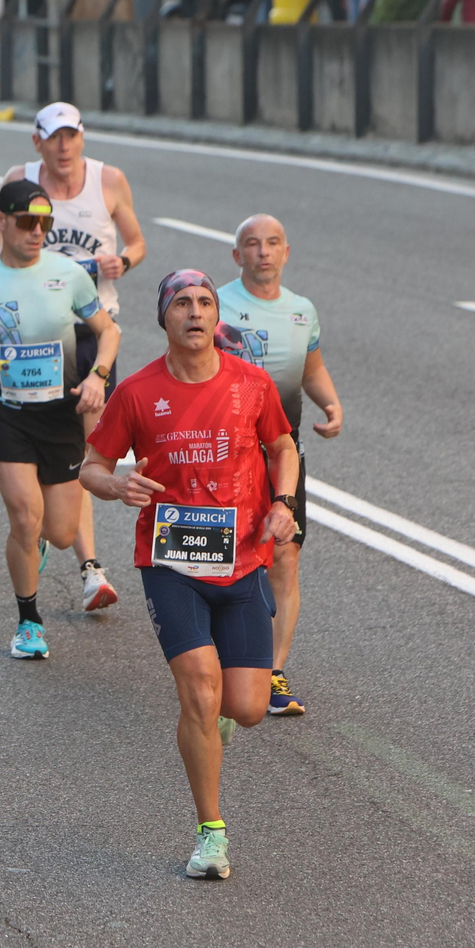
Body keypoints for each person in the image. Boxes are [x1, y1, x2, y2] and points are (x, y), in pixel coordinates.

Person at [80, 269, 299, 880]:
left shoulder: (251, 385)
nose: (196, 312)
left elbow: (283, 447)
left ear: (216, 316)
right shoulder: (138, 392)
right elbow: (91, 467)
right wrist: (116, 483)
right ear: (164, 318)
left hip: (242, 559)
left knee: (247, 708)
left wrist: (282, 505)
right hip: (170, 561)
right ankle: (211, 831)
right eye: (183, 303)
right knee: (199, 690)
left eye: (205, 302)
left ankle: (220, 720)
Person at [0, 179, 117, 660]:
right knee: (24, 518)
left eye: (45, 223)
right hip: (6, 415)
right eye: (27, 222)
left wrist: (97, 376)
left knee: (57, 530)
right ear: (1, 222)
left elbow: (108, 330)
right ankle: (28, 620)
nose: (38, 232)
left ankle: (40, 548)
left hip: (61, 415)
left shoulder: (69, 274)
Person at [0, 102, 147, 616]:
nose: (63, 147)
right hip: (31, 334)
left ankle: (88, 565)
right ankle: (42, 533)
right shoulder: (20, 180)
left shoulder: (109, 179)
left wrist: (122, 260)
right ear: (37, 142)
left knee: (85, 447)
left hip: (90, 335)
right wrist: (14, 270)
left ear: (82, 137)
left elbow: (137, 242)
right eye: (54, 138)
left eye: (71, 136)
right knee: (27, 442)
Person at [215, 214, 341, 716]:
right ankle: (223, 655)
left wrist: (331, 404)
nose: (263, 252)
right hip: (224, 454)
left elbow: (311, 368)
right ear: (237, 255)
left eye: (272, 244)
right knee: (227, 556)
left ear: (286, 252)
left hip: (281, 453)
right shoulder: (217, 303)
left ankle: (271, 671)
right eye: (252, 244)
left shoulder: (301, 311)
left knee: (285, 557)